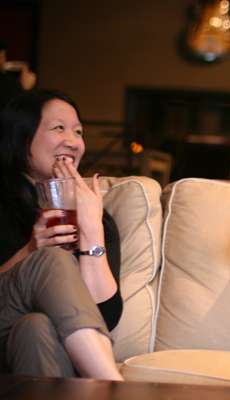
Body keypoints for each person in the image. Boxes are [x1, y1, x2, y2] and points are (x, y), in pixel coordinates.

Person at [0, 90, 123, 380]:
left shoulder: (96, 215)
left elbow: (104, 317)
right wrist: (30, 252)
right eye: (59, 128)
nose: (73, 141)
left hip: (27, 341)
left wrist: (92, 230)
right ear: (21, 136)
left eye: (78, 132)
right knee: (52, 258)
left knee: (36, 327)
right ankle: (115, 388)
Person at [0, 38, 36, 111]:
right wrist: (24, 88)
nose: (5, 61)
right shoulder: (6, 83)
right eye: (3, 56)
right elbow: (21, 112)